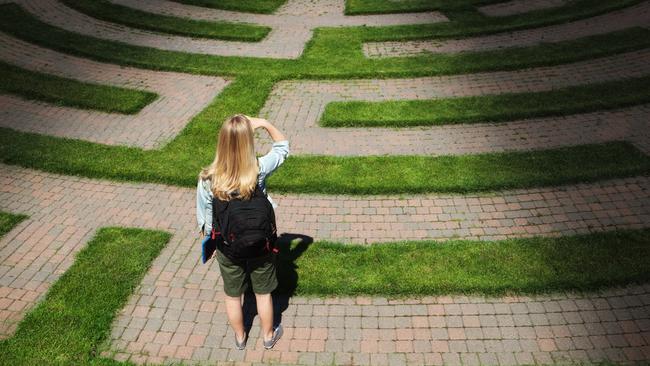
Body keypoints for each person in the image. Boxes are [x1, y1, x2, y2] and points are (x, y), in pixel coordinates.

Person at [196, 114, 289, 350]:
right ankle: (268, 336)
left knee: (232, 295)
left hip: (228, 246)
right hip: (262, 243)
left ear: (222, 141)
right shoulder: (258, 169)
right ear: (249, 142)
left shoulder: (209, 178)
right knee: (263, 294)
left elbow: (206, 220)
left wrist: (211, 240)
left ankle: (240, 338)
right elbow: (283, 147)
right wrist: (266, 123)